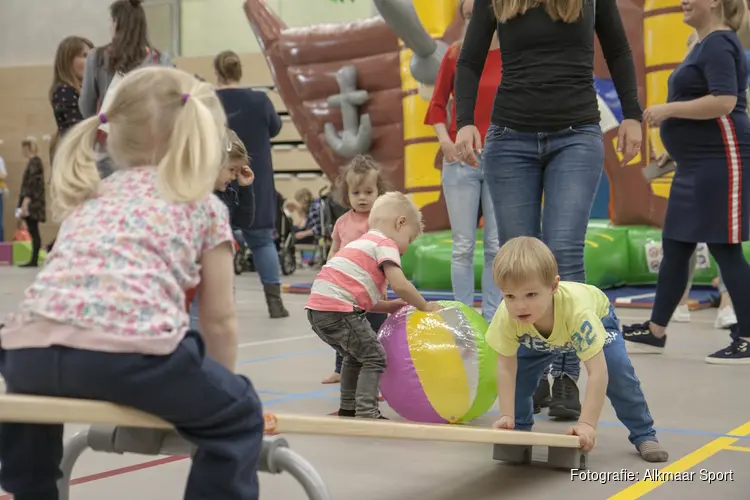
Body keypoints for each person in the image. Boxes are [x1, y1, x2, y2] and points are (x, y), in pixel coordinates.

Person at [0, 66, 264, 500]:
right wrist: (218, 392)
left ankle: (29, 489)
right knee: (238, 414)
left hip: (28, 353)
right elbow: (219, 320)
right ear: (199, 143)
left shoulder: (90, 198)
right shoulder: (202, 206)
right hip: (131, 358)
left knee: (31, 407)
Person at [453, 0, 642, 420]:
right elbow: (469, 59)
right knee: (519, 258)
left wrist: (632, 114)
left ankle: (565, 376)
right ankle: (532, 372)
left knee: (563, 254)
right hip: (510, 137)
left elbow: (618, 49)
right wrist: (464, 120)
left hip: (576, 133)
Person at [622, 0, 750, 364]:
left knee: (726, 248)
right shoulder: (701, 43)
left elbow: (725, 101)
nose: (684, 1)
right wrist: (676, 151)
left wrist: (668, 111)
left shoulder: (721, 43)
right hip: (694, 163)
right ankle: (656, 329)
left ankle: (748, 335)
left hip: (721, 162)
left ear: (714, 2)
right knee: (676, 244)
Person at [488, 237, 669, 462]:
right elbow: (506, 368)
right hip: (539, 336)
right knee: (519, 377)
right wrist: (507, 415)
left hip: (596, 318)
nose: (520, 305)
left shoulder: (578, 314)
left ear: (553, 286)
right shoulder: (507, 315)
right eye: (510, 296)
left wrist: (586, 424)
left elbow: (598, 373)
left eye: (531, 294)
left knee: (617, 371)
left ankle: (644, 434)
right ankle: (518, 430)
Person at [306, 191, 442, 418]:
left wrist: (387, 307)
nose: (405, 249)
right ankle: (367, 412)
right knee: (375, 357)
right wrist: (424, 306)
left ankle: (348, 408)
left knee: (354, 355)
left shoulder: (362, 243)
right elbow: (401, 285)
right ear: (401, 223)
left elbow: (356, 295)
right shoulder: (385, 244)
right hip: (337, 310)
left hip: (317, 309)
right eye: (408, 240)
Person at [424, 0, 503, 324]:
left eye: (478, 13)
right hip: (460, 160)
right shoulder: (455, 55)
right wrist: (444, 140)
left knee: (497, 245)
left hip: (502, 157)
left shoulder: (514, 54)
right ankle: (463, 317)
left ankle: (495, 316)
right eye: (468, 15)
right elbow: (437, 105)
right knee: (463, 245)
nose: (474, 19)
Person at [213, 49, 289, 318]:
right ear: (239, 71)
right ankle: (275, 303)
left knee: (216, 243)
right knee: (262, 241)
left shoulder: (209, 101)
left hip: (216, 179)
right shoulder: (260, 100)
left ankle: (223, 301)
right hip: (253, 178)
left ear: (217, 73)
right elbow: (275, 127)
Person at [319, 155, 388, 384]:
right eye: (356, 193)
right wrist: (329, 274)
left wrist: (386, 283)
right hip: (345, 291)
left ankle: (376, 375)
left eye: (369, 192)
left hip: (372, 290)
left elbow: (387, 256)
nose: (362, 198)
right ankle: (340, 368)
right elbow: (335, 250)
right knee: (344, 331)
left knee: (374, 332)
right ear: (347, 195)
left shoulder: (380, 222)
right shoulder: (342, 222)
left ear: (379, 192)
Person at [188, 128, 255, 331]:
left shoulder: (227, 192)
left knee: (221, 317)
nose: (235, 176)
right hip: (196, 270)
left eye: (237, 171)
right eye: (232, 170)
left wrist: (246, 188)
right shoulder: (193, 193)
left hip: (220, 268)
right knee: (196, 321)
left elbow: (244, 221)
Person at [49, 36, 94, 158]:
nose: (91, 61)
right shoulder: (64, 91)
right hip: (78, 157)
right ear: (68, 61)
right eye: (85, 56)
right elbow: (77, 129)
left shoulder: (88, 91)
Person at [17, 138, 46, 268]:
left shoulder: (35, 162)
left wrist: (25, 202)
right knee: (33, 230)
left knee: (34, 230)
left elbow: (32, 184)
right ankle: (33, 258)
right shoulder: (33, 162)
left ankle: (34, 259)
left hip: (33, 202)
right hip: (33, 201)